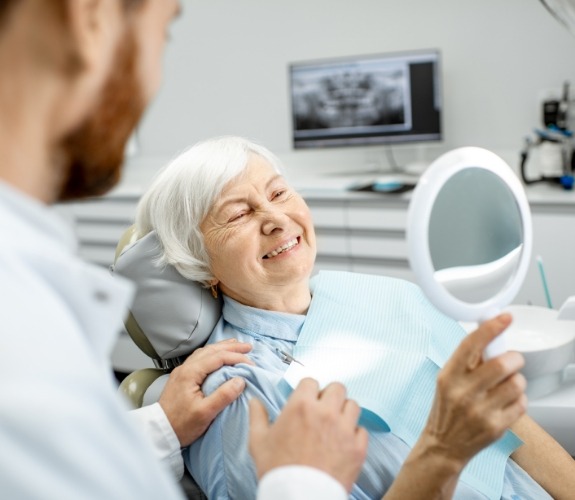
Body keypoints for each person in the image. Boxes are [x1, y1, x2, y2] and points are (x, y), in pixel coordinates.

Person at [134, 135, 575, 499]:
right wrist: (444, 449)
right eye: (239, 214)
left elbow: (509, 424)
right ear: (200, 264)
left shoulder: (379, 293)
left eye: (279, 192)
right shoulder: (236, 392)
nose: (275, 218)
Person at [0, 1, 255, 497]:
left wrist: (163, 428)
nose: (155, 79)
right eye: (164, 34)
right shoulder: (20, 345)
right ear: (90, 18)